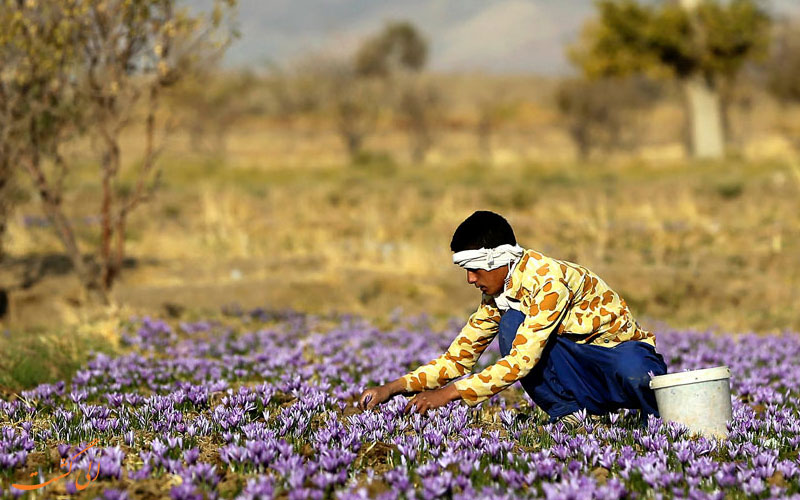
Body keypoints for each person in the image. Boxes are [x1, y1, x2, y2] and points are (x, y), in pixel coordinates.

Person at [358, 210, 668, 424]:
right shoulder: (499, 296)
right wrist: (392, 388)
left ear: (498, 260)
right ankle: (573, 415)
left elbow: (521, 361)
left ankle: (656, 418)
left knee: (638, 375)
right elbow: (457, 360)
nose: (470, 280)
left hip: (617, 355)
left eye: (474, 270)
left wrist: (449, 394)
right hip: (582, 367)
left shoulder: (547, 281)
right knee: (511, 322)